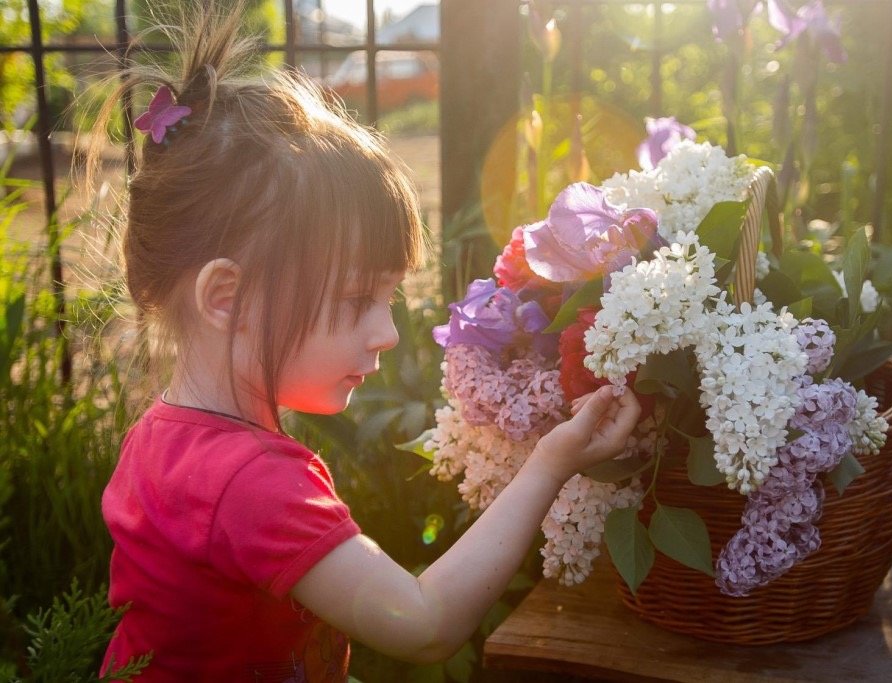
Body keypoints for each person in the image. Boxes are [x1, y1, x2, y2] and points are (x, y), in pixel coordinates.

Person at [93, 4, 641, 681]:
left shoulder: (164, 436)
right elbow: (425, 622)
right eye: (357, 300)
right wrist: (551, 462)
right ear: (225, 297)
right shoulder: (251, 483)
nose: (386, 332)